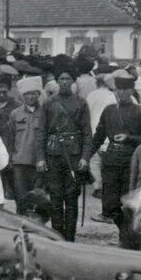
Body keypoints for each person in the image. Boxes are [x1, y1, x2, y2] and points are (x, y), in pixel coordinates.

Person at [87, 71, 141, 248]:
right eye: (118, 90)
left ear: (131, 91)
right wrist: (85, 156)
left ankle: (127, 239)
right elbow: (98, 136)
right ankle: (125, 233)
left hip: (130, 161)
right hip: (110, 160)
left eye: (125, 90)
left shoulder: (140, 112)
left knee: (127, 203)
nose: (121, 93)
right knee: (111, 205)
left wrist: (129, 138)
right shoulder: (109, 110)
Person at [37, 68, 93, 242]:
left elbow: (87, 133)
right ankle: (57, 236)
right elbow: (41, 132)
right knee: (55, 196)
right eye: (61, 78)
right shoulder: (48, 103)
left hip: (74, 156)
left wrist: (85, 157)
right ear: (57, 81)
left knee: (71, 197)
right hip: (53, 154)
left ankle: (70, 238)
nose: (65, 82)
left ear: (73, 81)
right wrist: (40, 157)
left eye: (68, 79)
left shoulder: (81, 103)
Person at [7, 76, 44, 215]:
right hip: (20, 163)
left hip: (39, 163)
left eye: (34, 93)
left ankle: (37, 229)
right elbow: (10, 138)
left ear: (39, 94)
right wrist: (10, 159)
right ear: (22, 95)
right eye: (27, 93)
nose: (30, 96)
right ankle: (21, 230)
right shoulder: (15, 114)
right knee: (21, 199)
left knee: (38, 199)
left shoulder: (45, 112)